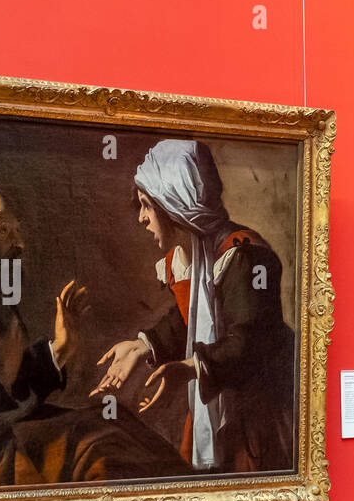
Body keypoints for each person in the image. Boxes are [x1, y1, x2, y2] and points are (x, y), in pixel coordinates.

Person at [0, 184, 192, 489]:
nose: (18, 244)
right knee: (101, 448)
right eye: (1, 228)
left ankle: (193, 491)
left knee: (112, 421)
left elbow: (9, 387)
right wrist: (2, 379)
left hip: (3, 445)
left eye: (16, 230)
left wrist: (58, 350)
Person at [91, 140, 296, 473]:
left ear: (174, 204)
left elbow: (248, 344)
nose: (142, 218)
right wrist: (143, 346)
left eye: (146, 205)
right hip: (220, 402)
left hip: (259, 411)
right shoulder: (185, 258)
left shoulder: (243, 255)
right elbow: (189, 319)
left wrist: (189, 368)